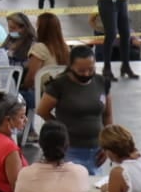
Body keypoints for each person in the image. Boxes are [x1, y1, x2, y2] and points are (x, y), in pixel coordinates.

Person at [34, 45, 111, 174]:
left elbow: (107, 115)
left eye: (90, 70)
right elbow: (42, 111)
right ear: (71, 66)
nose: (86, 74)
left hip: (96, 150)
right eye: (81, 71)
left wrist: (108, 144)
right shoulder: (59, 85)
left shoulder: (102, 82)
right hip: (69, 150)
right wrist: (60, 129)